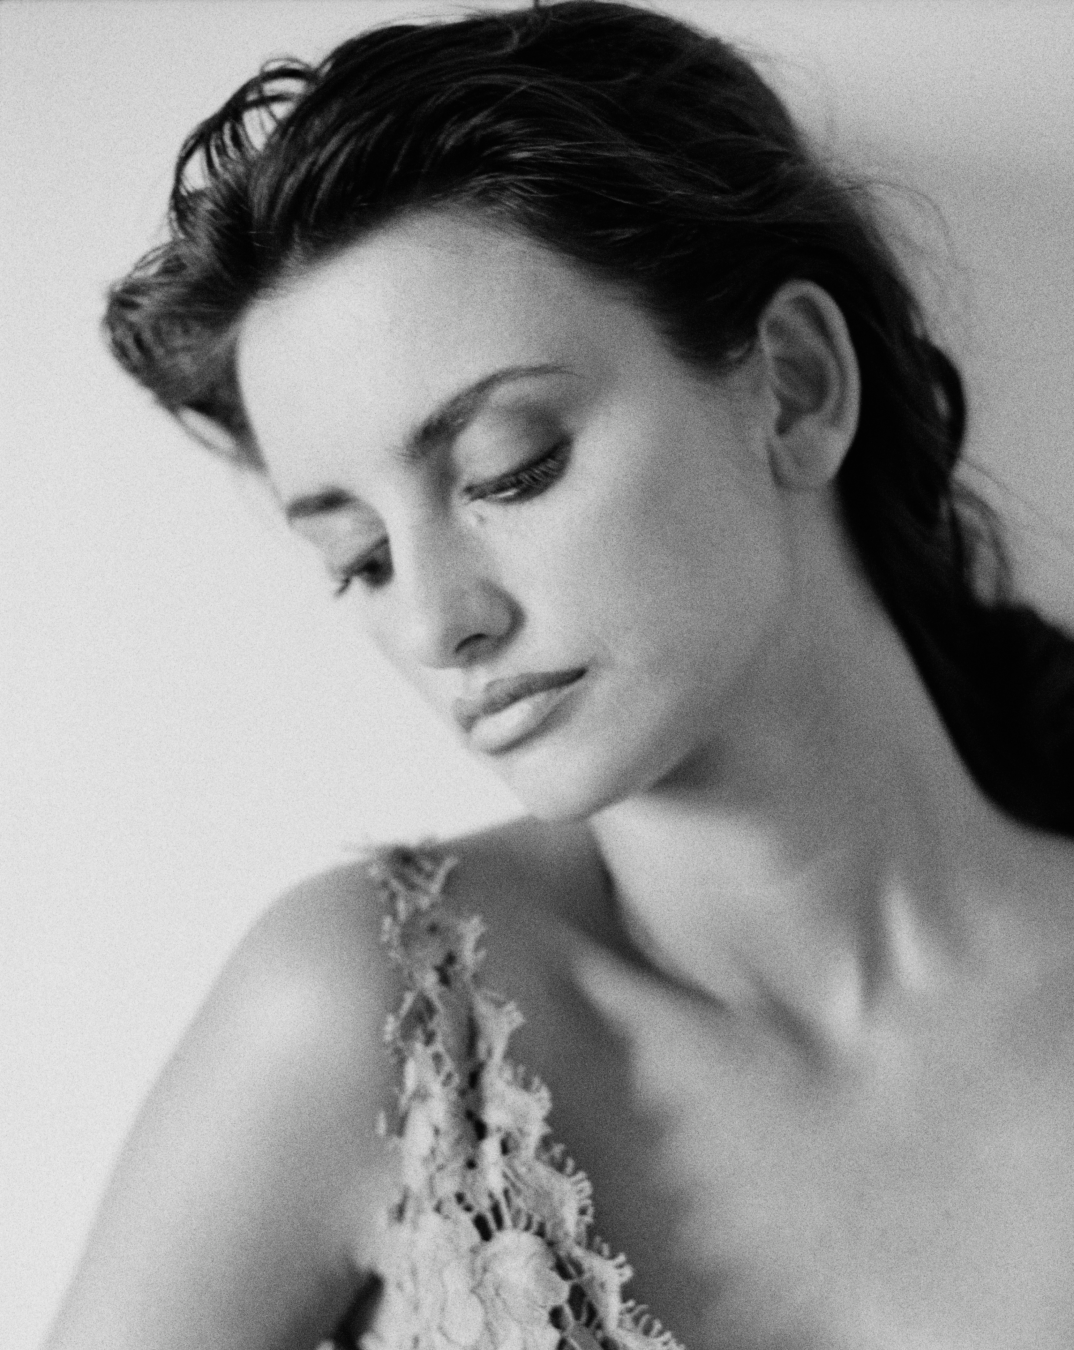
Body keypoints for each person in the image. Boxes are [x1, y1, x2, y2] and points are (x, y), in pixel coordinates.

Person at [44, 1, 1074, 1347]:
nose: (436, 621)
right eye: (357, 557)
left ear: (796, 382)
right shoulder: (377, 1023)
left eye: (508, 467)